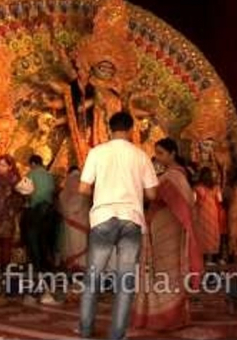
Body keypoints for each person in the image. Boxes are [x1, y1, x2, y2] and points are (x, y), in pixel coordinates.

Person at [77, 112, 159, 340]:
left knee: (93, 277)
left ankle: (85, 330)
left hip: (103, 216)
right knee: (125, 281)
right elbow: (152, 193)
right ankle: (117, 334)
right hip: (131, 218)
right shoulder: (140, 155)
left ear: (108, 127)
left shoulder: (97, 152)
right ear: (131, 129)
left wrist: (102, 195)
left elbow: (83, 189)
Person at [132, 138, 203, 332]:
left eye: (162, 153)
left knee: (166, 271)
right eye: (157, 153)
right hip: (164, 227)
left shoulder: (174, 176)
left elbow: (157, 197)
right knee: (162, 270)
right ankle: (167, 315)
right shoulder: (174, 175)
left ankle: (167, 316)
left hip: (169, 228)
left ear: (172, 153)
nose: (158, 157)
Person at [22, 154, 56, 272]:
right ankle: (46, 262)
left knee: (32, 235)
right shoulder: (49, 175)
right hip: (49, 209)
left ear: (33, 164)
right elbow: (52, 190)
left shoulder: (31, 174)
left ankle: (37, 263)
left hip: (36, 208)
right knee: (45, 237)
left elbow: (25, 192)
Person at [58, 165, 91, 271]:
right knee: (81, 243)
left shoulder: (65, 189)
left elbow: (62, 200)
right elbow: (85, 201)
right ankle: (81, 265)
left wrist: (68, 214)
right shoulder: (84, 185)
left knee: (71, 244)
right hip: (82, 222)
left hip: (70, 222)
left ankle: (72, 266)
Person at [193, 167, 223, 265]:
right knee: (212, 234)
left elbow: (193, 201)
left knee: (202, 235)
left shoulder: (197, 188)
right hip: (212, 213)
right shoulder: (216, 188)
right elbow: (220, 200)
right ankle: (210, 259)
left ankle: (203, 261)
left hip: (202, 213)